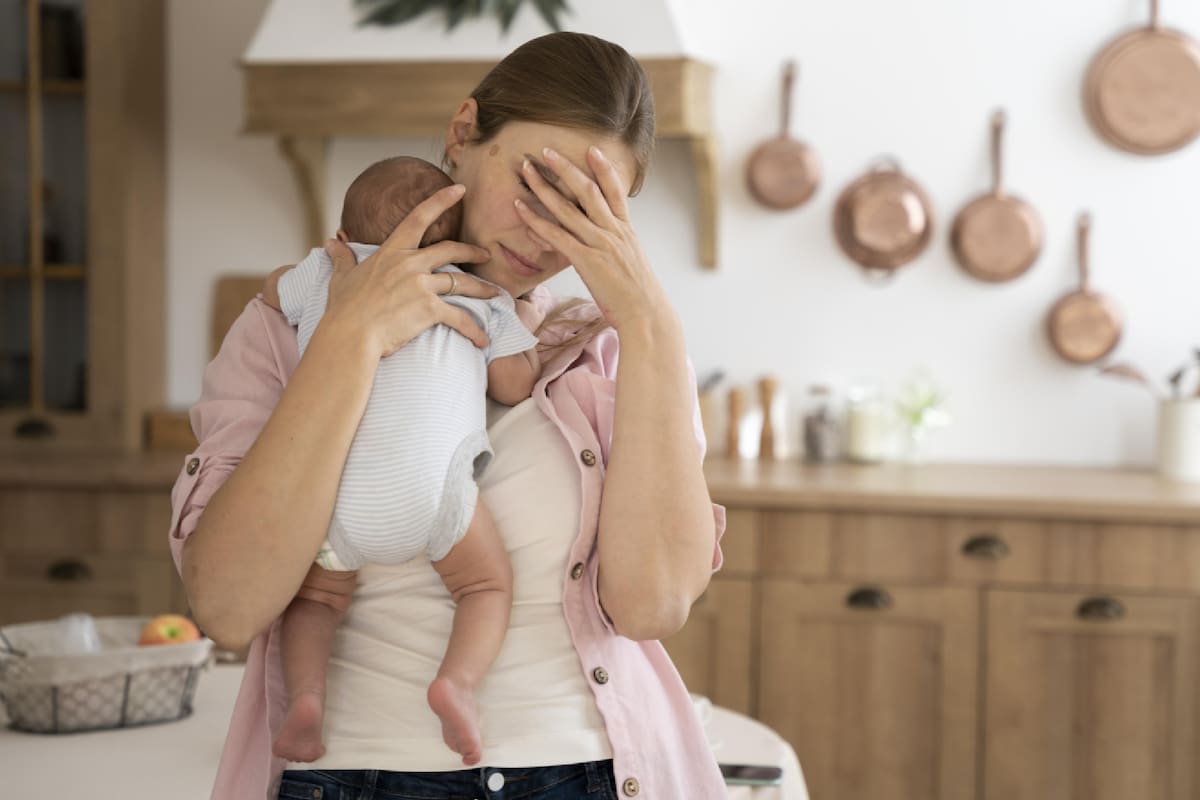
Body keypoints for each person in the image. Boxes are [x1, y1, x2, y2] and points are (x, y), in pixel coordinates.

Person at [169, 31, 728, 800]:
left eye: (587, 213)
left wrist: (650, 320)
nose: (544, 236)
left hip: (588, 774)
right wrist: (349, 339)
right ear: (463, 135)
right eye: (535, 189)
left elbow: (652, 604)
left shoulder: (613, 352)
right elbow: (229, 606)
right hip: (350, 777)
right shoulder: (287, 327)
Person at [260, 155, 541, 766]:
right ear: (461, 245)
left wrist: (313, 268)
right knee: (485, 585)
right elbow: (516, 385)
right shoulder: (480, 293)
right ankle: (456, 684)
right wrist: (519, 325)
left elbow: (268, 294)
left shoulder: (325, 273)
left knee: (314, 602)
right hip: (434, 494)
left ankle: (305, 700)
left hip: (333, 495)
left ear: (341, 238)